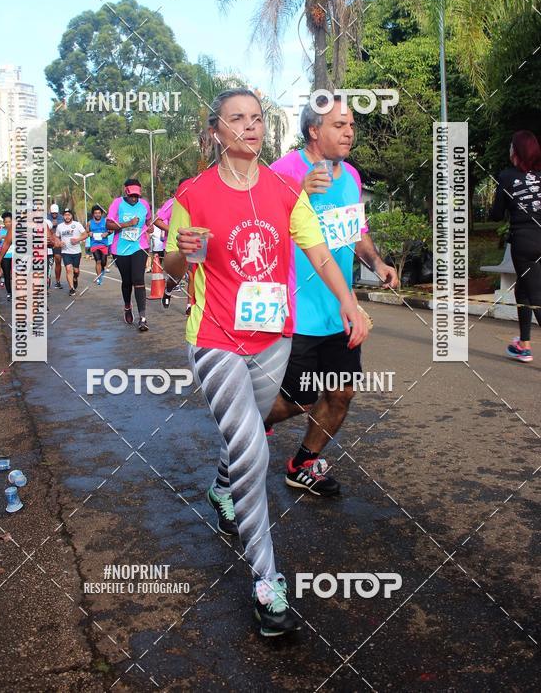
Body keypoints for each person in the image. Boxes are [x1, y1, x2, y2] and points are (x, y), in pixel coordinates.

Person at [164, 88, 368, 637]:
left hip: (273, 340)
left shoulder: (284, 188)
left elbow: (317, 249)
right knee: (253, 451)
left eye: (256, 119)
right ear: (216, 131)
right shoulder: (194, 192)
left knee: (249, 436)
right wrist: (186, 250)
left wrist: (349, 301)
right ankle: (266, 580)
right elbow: (173, 267)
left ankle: (221, 484)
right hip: (216, 339)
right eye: (237, 119)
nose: (250, 128)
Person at [267, 94, 398, 495]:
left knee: (341, 391)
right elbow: (258, 224)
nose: (349, 132)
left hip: (339, 311)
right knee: (300, 397)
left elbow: (354, 231)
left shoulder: (352, 177)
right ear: (313, 131)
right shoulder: (282, 171)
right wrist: (296, 193)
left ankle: (303, 463)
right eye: (339, 125)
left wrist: (377, 264)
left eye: (352, 125)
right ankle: (250, 418)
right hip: (296, 310)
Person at [490, 130, 541, 362]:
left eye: (511, 146)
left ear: (517, 151)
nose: (509, 149)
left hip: (526, 244)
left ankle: (524, 344)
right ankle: (524, 344)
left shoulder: (507, 176)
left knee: (536, 295)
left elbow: (496, 214)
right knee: (524, 289)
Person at [106, 179, 152, 331]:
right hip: (120, 249)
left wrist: (149, 227)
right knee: (127, 281)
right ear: (126, 191)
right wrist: (128, 224)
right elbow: (109, 225)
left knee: (138, 279)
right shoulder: (117, 203)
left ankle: (143, 318)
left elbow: (148, 220)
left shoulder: (144, 204)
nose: (134, 198)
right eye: (132, 195)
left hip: (139, 246)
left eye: (137, 196)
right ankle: (127, 306)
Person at [155, 182, 192, 311]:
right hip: (173, 246)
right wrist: (173, 230)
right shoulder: (172, 203)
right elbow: (157, 220)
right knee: (176, 277)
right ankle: (168, 289)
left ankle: (189, 305)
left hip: (192, 244)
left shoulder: (198, 201)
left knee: (192, 275)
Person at [55, 208, 87, 295]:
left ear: (71, 216)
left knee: (76, 271)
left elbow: (85, 235)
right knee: (68, 269)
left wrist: (77, 239)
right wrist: (59, 242)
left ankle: (75, 278)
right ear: (63, 216)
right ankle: (71, 288)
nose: (67, 217)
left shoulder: (77, 224)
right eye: (65, 215)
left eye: (69, 215)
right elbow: (56, 237)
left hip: (76, 252)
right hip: (65, 252)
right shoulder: (60, 226)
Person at [87, 204, 110, 284]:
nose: (97, 214)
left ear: (101, 213)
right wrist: (89, 233)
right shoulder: (90, 223)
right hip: (94, 244)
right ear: (93, 214)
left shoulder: (106, 221)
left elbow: (111, 230)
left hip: (104, 244)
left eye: (99, 213)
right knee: (98, 261)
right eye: (95, 213)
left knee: (103, 261)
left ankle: (102, 269)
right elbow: (86, 232)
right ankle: (99, 277)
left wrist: (107, 233)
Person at [0, 212, 14, 300]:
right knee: (6, 275)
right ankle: (9, 293)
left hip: (15, 256)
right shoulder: (0, 231)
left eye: (10, 221)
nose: (8, 223)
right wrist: (1, 237)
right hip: (5, 257)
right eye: (6, 222)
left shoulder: (16, 230)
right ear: (3, 222)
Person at [48, 203, 64, 288]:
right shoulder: (46, 218)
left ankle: (58, 281)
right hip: (48, 243)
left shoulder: (62, 218)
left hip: (57, 242)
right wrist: (51, 224)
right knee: (49, 263)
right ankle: (47, 282)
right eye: (53, 213)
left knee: (58, 259)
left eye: (55, 213)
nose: (54, 214)